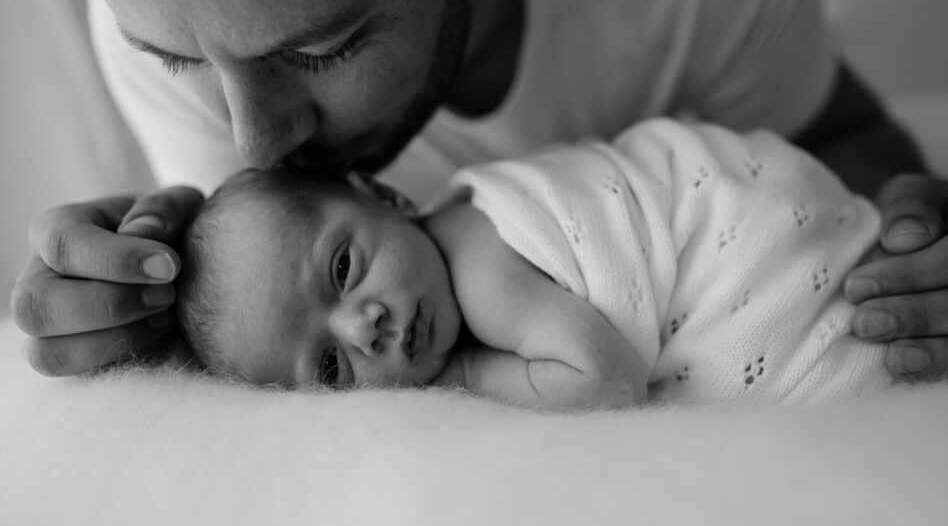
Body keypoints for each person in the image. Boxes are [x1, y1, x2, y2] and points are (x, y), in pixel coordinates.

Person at [6, 0, 948, 380]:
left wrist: (926, 238)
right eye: (174, 56)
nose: (253, 139)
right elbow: (250, 306)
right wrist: (139, 325)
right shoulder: (152, 12)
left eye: (321, 47)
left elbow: (839, 140)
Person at [175, 118, 896, 410]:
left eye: (341, 269)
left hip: (750, 243)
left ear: (384, 195)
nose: (363, 326)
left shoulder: (480, 262)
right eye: (331, 366)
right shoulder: (442, 250)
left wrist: (467, 376)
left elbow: (606, 381)